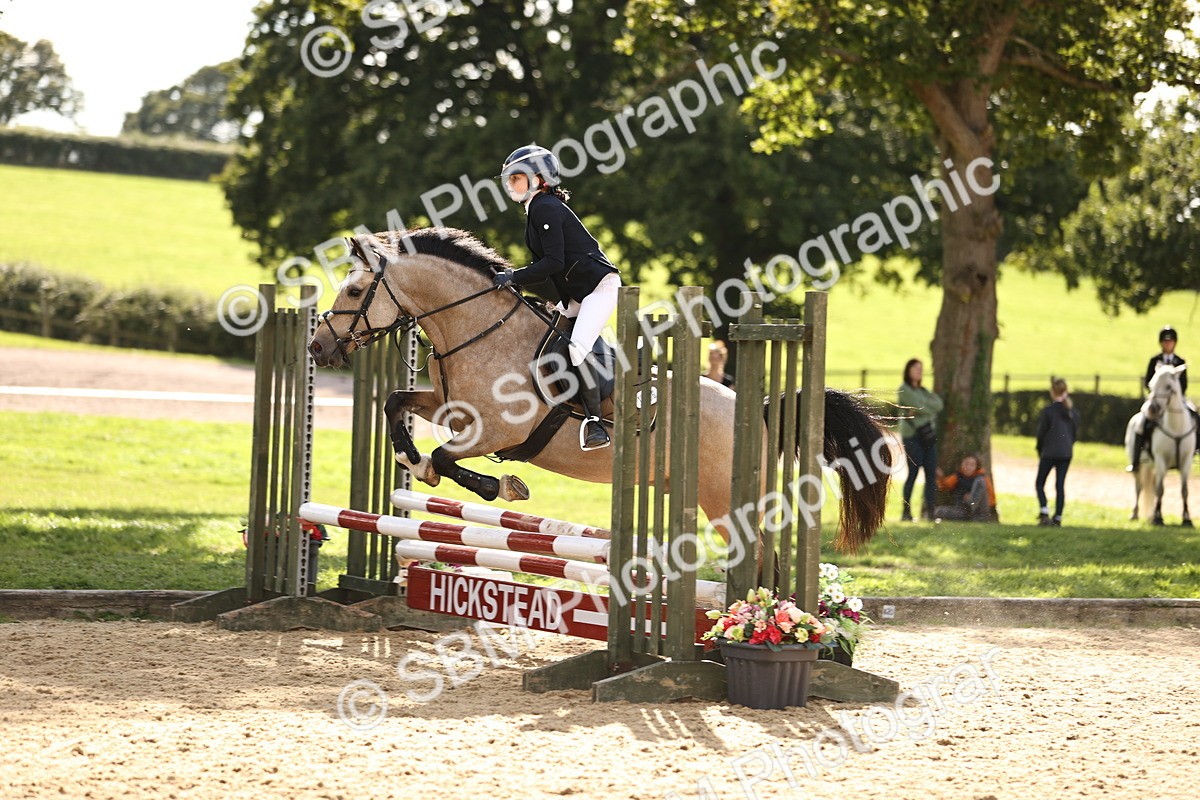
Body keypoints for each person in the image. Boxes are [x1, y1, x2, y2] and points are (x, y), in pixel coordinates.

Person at [493, 144, 622, 451]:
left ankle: (596, 423)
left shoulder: (545, 207)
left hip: (600, 287)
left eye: (517, 178)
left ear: (539, 178)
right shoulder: (537, 208)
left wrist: (512, 276)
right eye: (509, 180)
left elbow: (554, 263)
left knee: (577, 350)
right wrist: (560, 303)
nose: (511, 184)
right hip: (579, 292)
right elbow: (554, 270)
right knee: (549, 336)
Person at [898, 358, 943, 521]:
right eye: (915, 368)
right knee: (913, 473)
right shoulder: (904, 389)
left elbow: (938, 405)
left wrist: (922, 408)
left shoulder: (924, 391)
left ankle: (930, 513)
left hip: (928, 437)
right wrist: (925, 408)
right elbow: (921, 406)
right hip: (912, 437)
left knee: (931, 474)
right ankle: (906, 512)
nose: (918, 371)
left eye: (920, 368)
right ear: (908, 370)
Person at [1035, 377, 1080, 526]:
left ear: (1052, 392)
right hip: (1066, 453)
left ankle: (1044, 510)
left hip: (1049, 452)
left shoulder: (1049, 411)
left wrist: (1040, 449)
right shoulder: (1072, 412)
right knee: (1060, 485)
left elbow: (1042, 433)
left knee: (1040, 483)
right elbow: (1074, 434)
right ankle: (1058, 516)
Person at [934, 453, 997, 522]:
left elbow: (991, 501)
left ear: (977, 467)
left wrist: (970, 499)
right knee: (939, 511)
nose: (968, 467)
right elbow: (945, 486)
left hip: (979, 512)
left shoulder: (982, 479)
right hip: (962, 511)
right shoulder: (958, 477)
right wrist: (940, 477)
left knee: (979, 481)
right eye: (966, 464)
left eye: (972, 465)